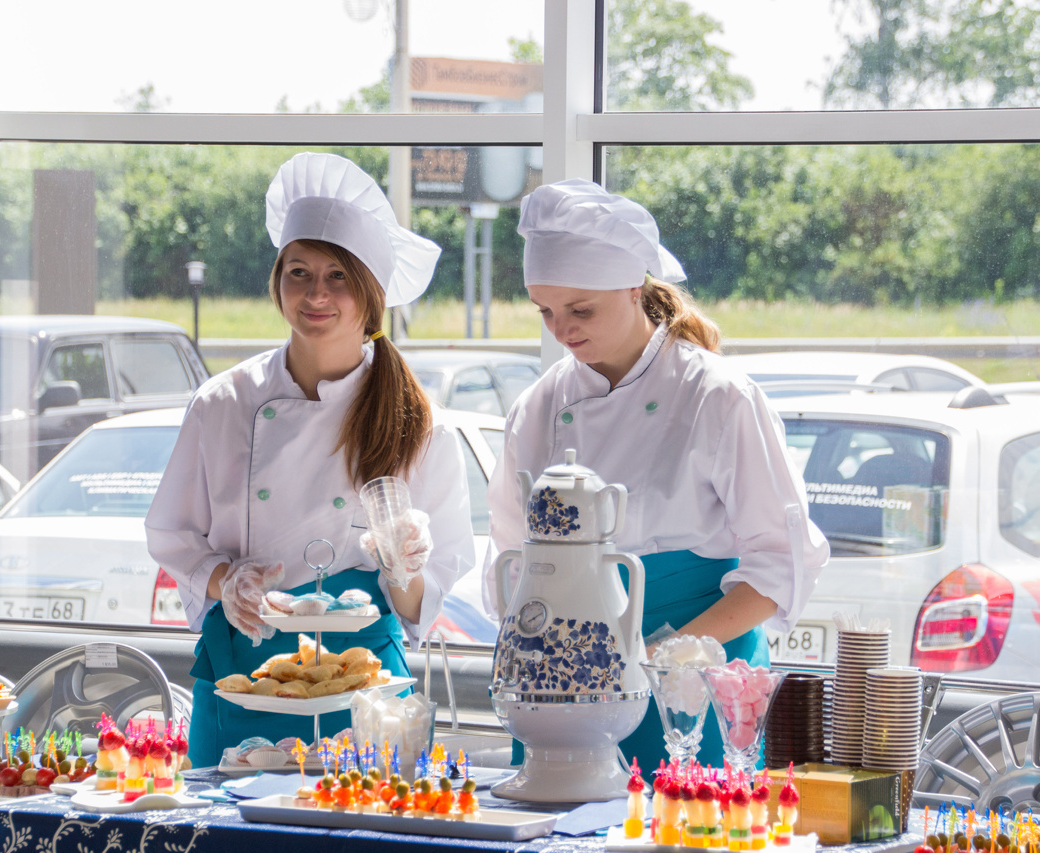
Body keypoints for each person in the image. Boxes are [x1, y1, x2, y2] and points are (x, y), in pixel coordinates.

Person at [485, 179, 829, 771]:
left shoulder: (717, 396)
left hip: (694, 676)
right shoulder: (537, 410)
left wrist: (668, 657)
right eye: (546, 311)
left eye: (580, 309)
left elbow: (780, 563)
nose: (561, 329)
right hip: (562, 687)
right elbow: (512, 561)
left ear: (634, 288)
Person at [147, 153, 475, 768]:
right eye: (299, 272)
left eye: (339, 277)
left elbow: (420, 605)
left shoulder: (421, 426)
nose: (316, 294)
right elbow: (172, 534)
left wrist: (402, 566)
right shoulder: (223, 404)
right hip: (243, 659)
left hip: (365, 681)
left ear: (371, 295)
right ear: (277, 282)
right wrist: (228, 582)